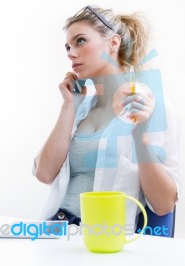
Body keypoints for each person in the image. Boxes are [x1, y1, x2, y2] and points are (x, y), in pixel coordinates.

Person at [32, 5, 182, 228]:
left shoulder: (152, 106)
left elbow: (163, 205)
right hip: (56, 228)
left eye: (80, 41)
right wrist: (69, 106)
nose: (71, 53)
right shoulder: (79, 108)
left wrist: (140, 134)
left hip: (105, 239)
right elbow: (44, 174)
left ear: (113, 43)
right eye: (68, 47)